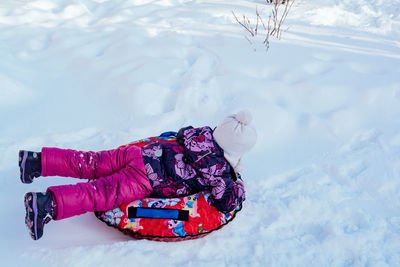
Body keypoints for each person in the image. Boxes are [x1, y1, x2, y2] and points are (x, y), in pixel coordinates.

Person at [20, 110, 257, 240]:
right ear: (235, 152)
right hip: (144, 178)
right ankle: (46, 205)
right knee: (100, 193)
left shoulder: (200, 133)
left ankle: (36, 161)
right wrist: (236, 182)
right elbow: (227, 202)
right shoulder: (218, 170)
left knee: (90, 161)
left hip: (138, 154)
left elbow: (177, 134)